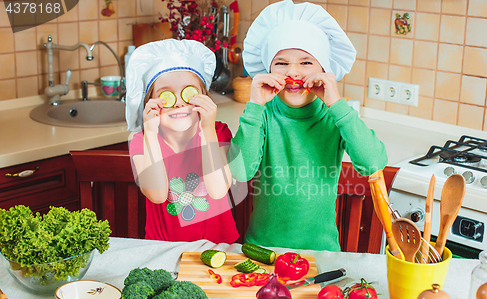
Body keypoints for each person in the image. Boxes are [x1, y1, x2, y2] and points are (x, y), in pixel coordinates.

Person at [227, 0, 388, 251]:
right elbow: (239, 171)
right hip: (262, 250)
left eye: (306, 62)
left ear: (323, 69)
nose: (294, 72)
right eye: (281, 63)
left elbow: (373, 163)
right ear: (268, 69)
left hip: (320, 252)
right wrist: (255, 106)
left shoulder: (335, 115)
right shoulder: (263, 114)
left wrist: (337, 104)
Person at [126, 39, 238, 243]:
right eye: (166, 95)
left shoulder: (218, 132)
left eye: (189, 93)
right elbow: (157, 194)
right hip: (163, 249)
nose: (178, 103)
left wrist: (207, 128)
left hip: (218, 247)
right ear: (149, 102)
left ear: (204, 97)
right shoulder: (141, 140)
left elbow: (218, 189)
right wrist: (150, 133)